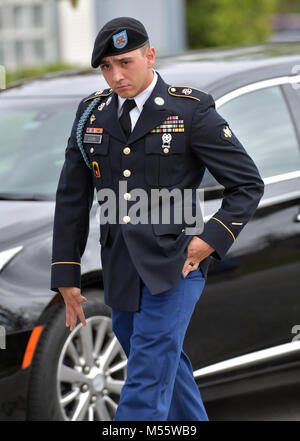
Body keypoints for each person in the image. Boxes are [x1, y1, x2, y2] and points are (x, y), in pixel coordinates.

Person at [50, 17, 265, 421]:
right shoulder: (91, 115)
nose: (116, 76)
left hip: (176, 263)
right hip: (120, 267)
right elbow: (73, 197)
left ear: (150, 55)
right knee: (165, 365)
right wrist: (66, 271)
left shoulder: (190, 110)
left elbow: (248, 184)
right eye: (107, 67)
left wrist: (209, 241)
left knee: (147, 374)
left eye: (125, 63)